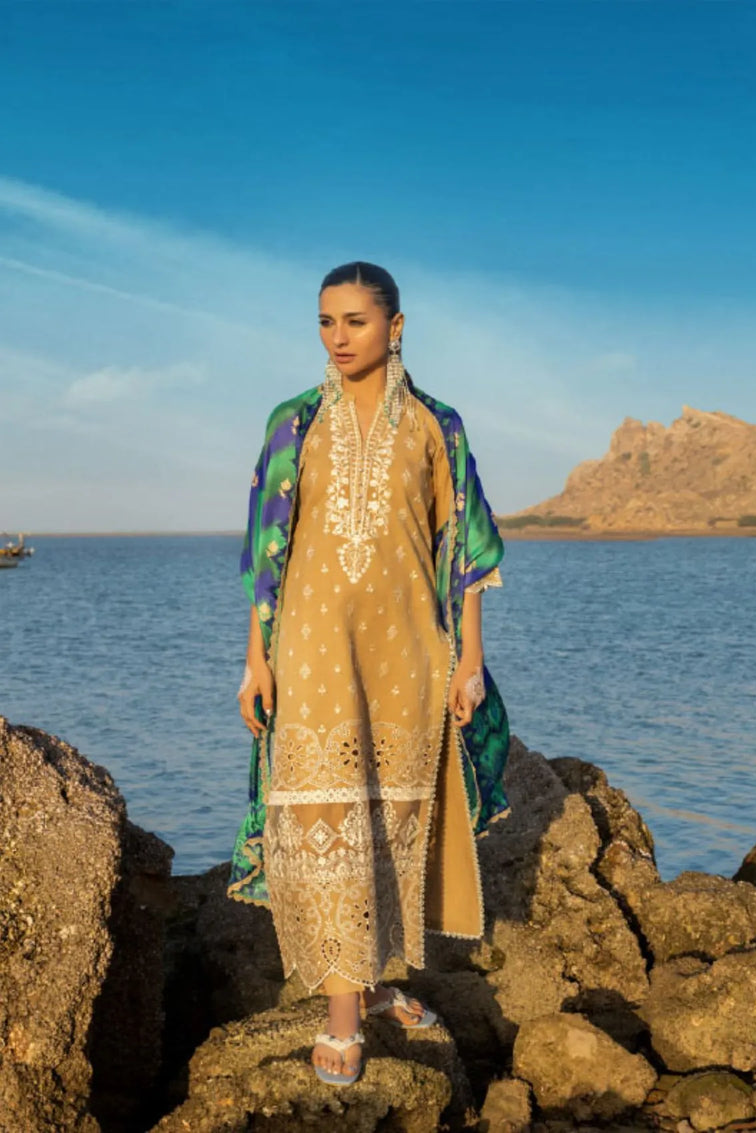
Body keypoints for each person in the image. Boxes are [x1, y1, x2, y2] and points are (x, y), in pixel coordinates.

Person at [228, 261, 510, 1086]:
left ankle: (372, 987)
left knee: (384, 824)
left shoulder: (436, 426)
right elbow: (265, 556)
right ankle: (344, 1015)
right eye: (326, 321)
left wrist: (471, 661)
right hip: (311, 654)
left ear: (396, 325)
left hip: (407, 657)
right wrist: (254, 659)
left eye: (355, 320)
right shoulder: (293, 423)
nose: (338, 337)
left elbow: (467, 552)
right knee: (326, 817)